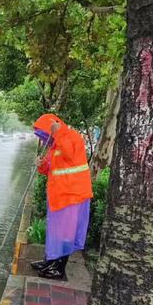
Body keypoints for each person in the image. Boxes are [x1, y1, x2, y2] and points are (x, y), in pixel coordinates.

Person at [31, 114, 93, 280]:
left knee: (66, 233)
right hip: (59, 196)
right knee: (56, 232)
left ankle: (58, 268)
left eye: (46, 134)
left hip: (72, 196)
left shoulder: (72, 137)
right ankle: (50, 261)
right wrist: (42, 165)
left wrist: (58, 134)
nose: (45, 139)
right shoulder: (54, 146)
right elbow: (52, 169)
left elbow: (70, 154)